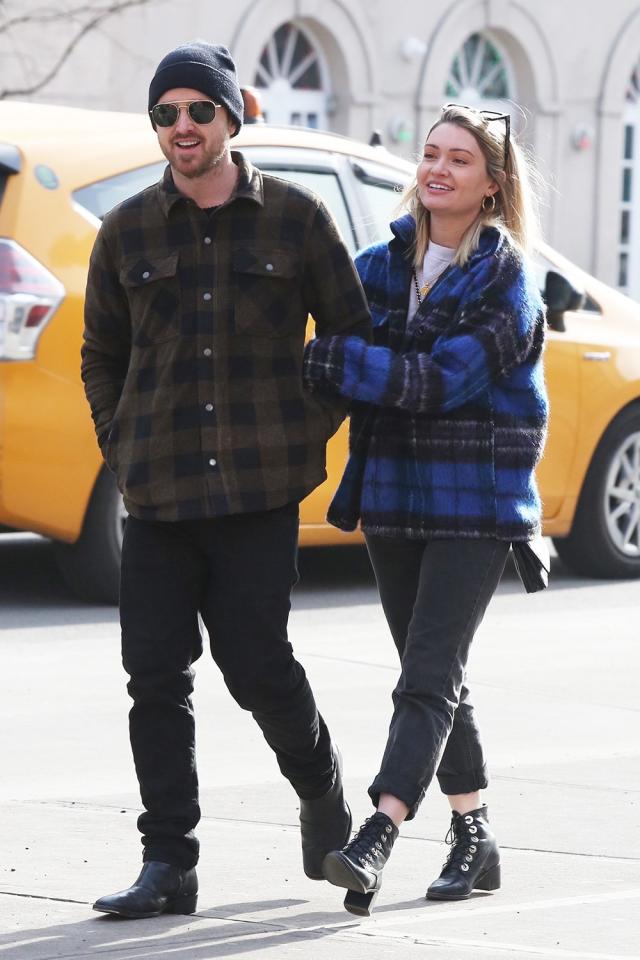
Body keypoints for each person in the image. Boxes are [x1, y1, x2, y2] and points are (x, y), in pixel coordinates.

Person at [81, 40, 372, 919]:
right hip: (160, 492)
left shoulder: (296, 217)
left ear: (232, 114)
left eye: (197, 111)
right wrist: (123, 442)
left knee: (257, 667)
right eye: (165, 113)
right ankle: (169, 862)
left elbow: (349, 339)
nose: (181, 128)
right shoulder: (127, 230)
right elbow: (101, 355)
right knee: (154, 678)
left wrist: (303, 427)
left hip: (257, 493)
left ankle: (323, 796)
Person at [303, 104, 548, 916]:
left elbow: (438, 383)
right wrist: (335, 362)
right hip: (393, 493)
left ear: (492, 184)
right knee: (431, 674)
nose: (438, 169)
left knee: (428, 673)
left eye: (460, 161)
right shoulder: (378, 267)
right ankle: (475, 834)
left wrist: (338, 357)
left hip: (475, 502)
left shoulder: (508, 282)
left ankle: (379, 830)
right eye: (432, 154)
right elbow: (348, 372)